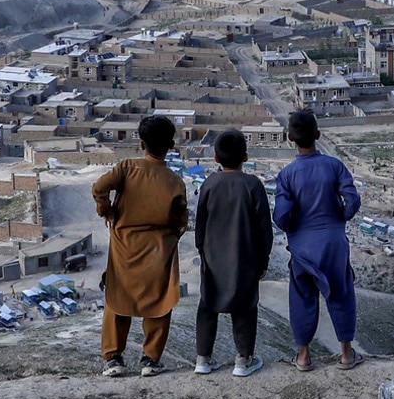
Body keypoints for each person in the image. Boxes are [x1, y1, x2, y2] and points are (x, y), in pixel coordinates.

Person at [91, 115, 188, 378]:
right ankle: (150, 360)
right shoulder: (174, 182)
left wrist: (108, 212)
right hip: (159, 248)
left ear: (141, 143)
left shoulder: (125, 168)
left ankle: (113, 359)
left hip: (124, 245)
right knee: (158, 302)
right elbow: (180, 220)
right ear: (170, 145)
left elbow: (99, 188)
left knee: (118, 295)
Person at [272, 109, 362, 371]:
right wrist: (339, 218)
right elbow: (352, 200)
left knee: (302, 297)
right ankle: (346, 354)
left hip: (302, 247)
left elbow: (281, 216)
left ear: (290, 137)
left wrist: (295, 228)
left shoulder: (287, 175)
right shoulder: (334, 166)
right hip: (333, 243)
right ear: (318, 135)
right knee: (341, 294)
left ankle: (303, 356)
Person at [192, 130, 273, 378]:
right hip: (245, 258)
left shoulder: (209, 184)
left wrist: (203, 252)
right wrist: (263, 259)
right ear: (246, 156)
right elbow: (264, 229)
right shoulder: (253, 185)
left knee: (208, 305)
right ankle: (242, 360)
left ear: (215, 158)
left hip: (214, 259)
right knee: (245, 307)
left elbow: (200, 225)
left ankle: (202, 359)